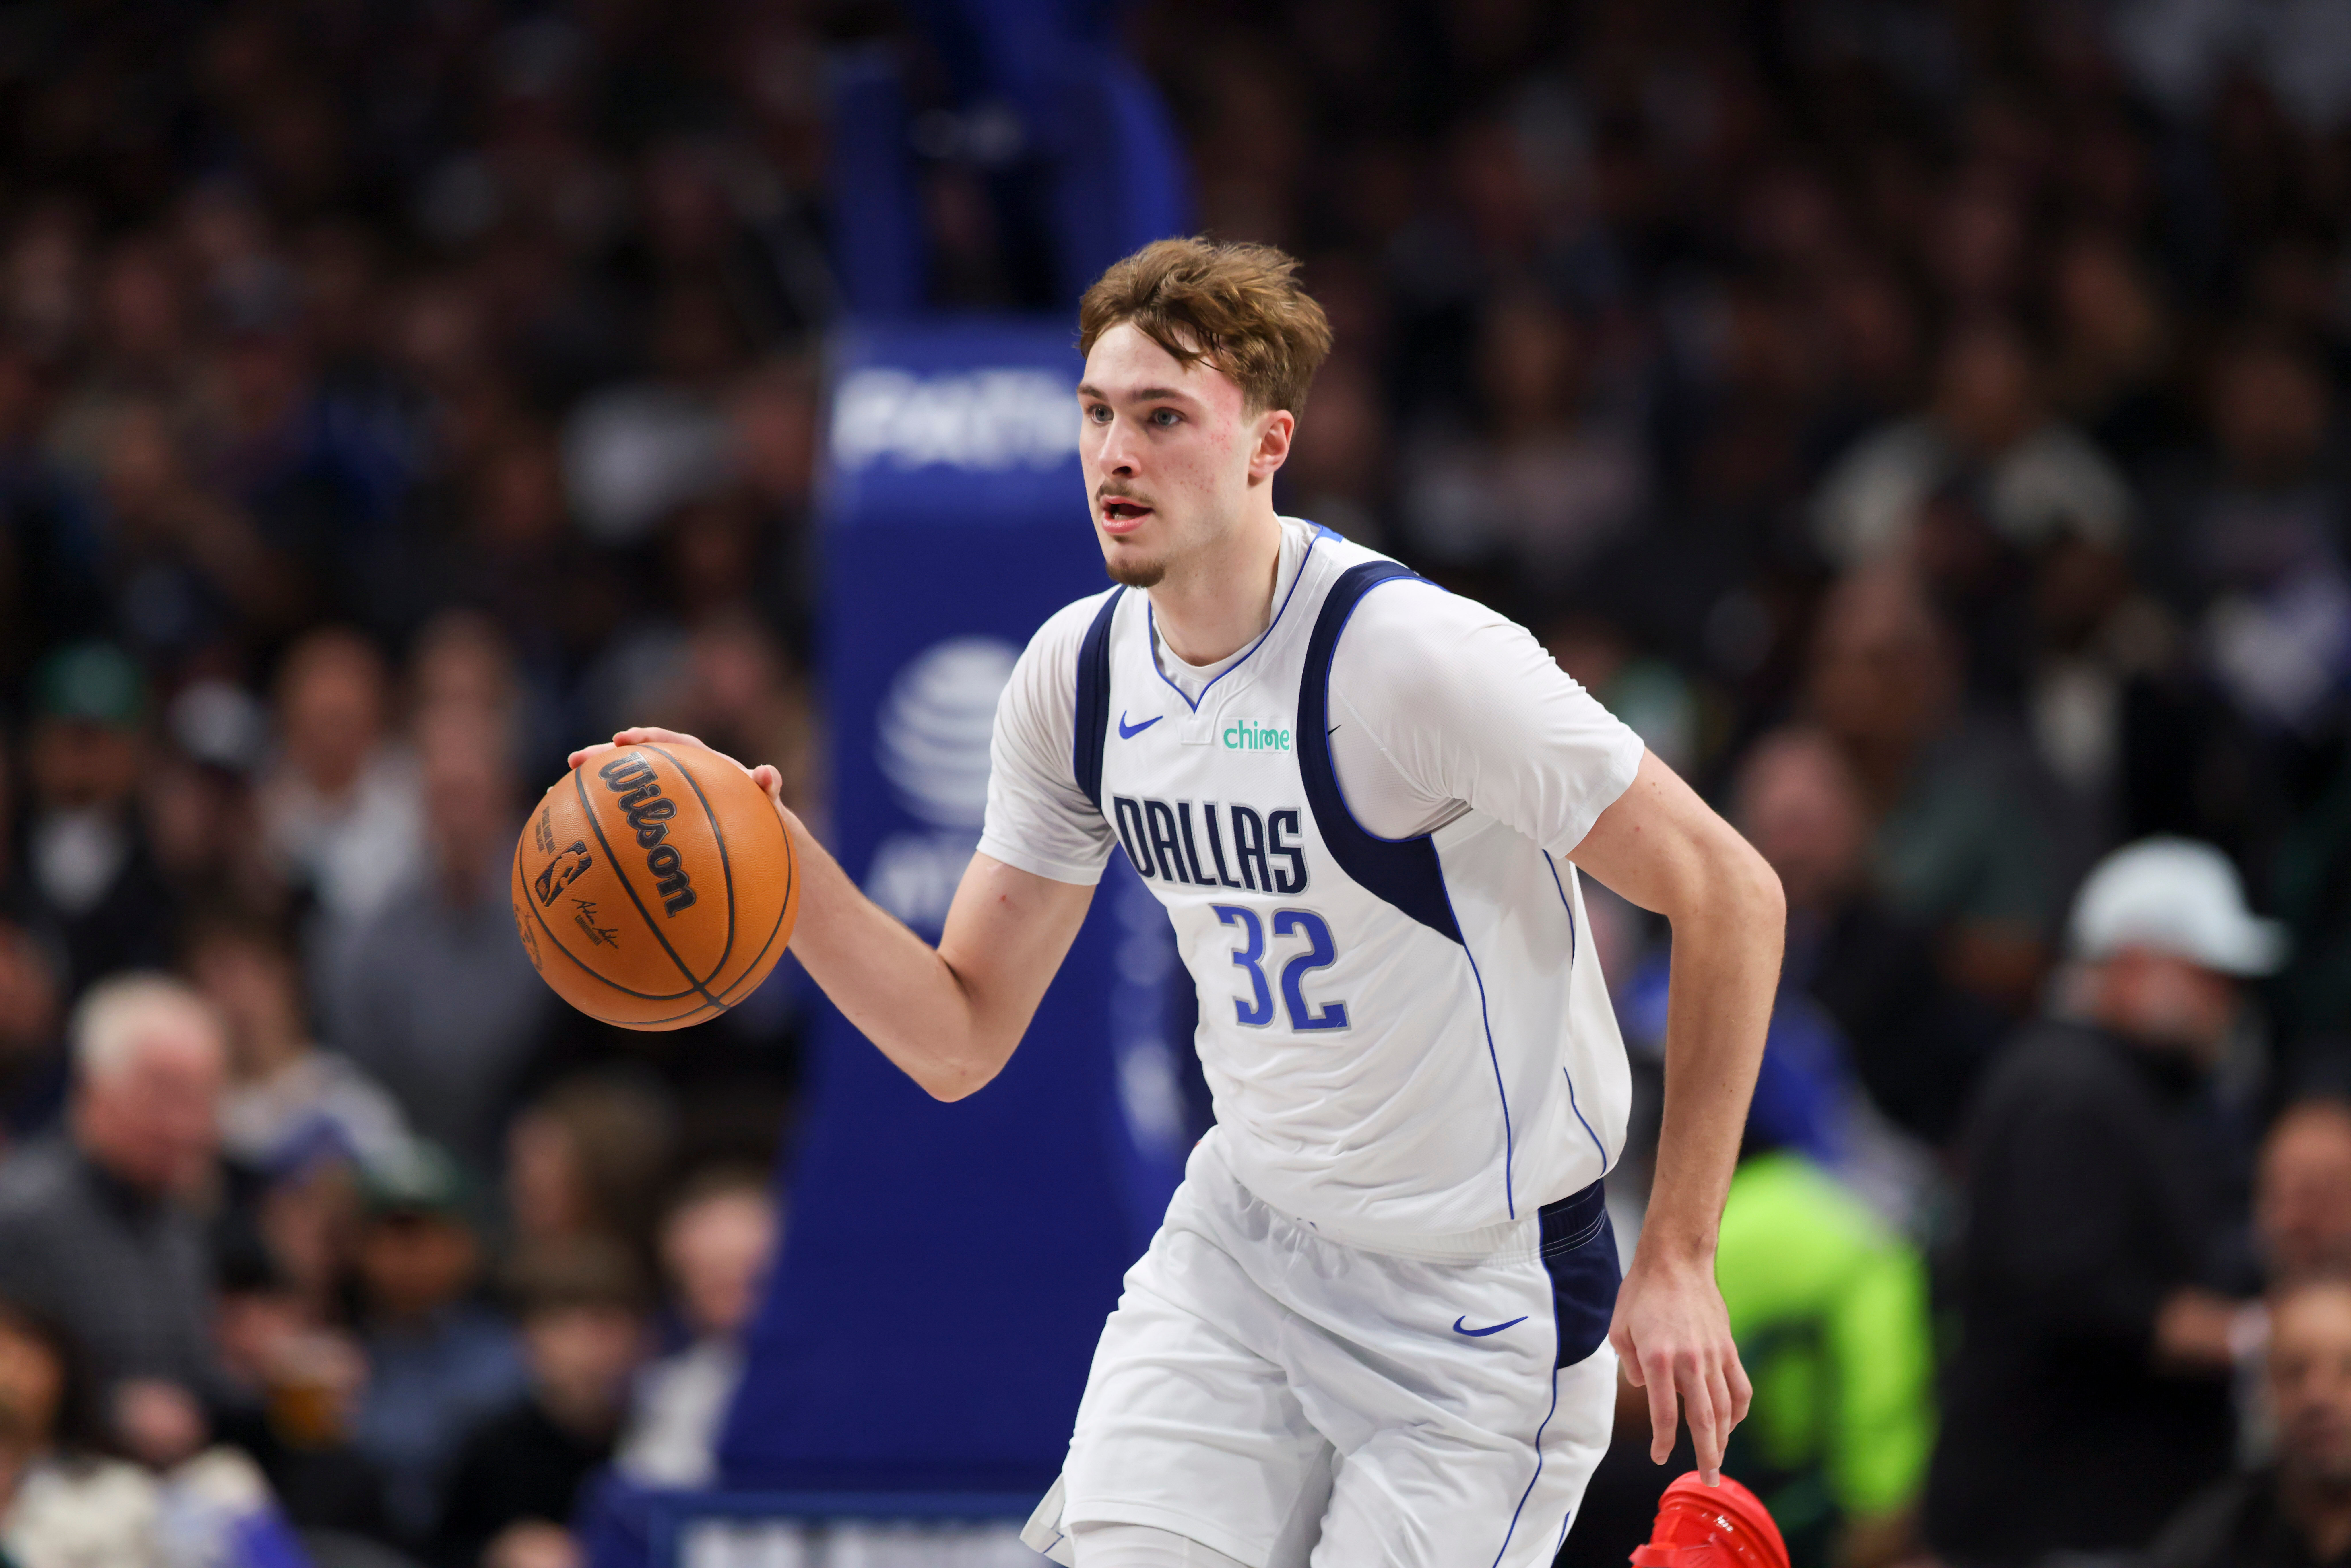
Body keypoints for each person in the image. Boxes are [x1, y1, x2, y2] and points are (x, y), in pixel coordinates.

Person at [571, 236, 1784, 1567]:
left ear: (1267, 443)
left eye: (1161, 418)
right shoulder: (1077, 679)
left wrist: (1677, 1253)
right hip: (1245, 1247)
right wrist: (778, 861)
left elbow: (1732, 889)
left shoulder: (1413, 664)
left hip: (1476, 1293)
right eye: (1096, 414)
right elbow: (959, 1033)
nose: (1115, 455)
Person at [1925, 836, 2278, 1564]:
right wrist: (2248, 1336)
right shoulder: (2072, 1088)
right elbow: (2065, 1281)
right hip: (2060, 1522)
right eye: (2211, 973)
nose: (2228, 999)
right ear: (2133, 962)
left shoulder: (2117, 1085)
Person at [0, 972, 227, 1467]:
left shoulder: (179, 1220)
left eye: (201, 1097)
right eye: (165, 1093)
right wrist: (109, 1411)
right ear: (95, 1086)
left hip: (175, 1489)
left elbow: (191, 1378)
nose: (186, 1123)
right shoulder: (22, 1214)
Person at [350, 1142, 527, 1551]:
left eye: (431, 1234)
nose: (410, 1256)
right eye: (393, 1234)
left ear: (469, 1244)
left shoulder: (505, 1356)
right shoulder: (334, 1355)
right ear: (360, 1248)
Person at [436, 1240, 649, 1568]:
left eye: (602, 1324)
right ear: (526, 1340)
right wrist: (499, 1552)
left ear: (641, 1335)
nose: (583, 1349)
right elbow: (437, 1550)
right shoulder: (492, 1449)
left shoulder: (663, 1436)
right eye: (561, 1327)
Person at [2152, 1275, 2351, 1568]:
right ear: (2264, 1393)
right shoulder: (2213, 1536)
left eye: (2347, 1370)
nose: (2317, 1396)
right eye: (2294, 1372)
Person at [615, 1167, 778, 1488]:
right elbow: (649, 1508)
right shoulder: (675, 1392)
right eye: (708, 1279)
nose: (732, 1301)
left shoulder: (853, 1381)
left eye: (746, 1273)